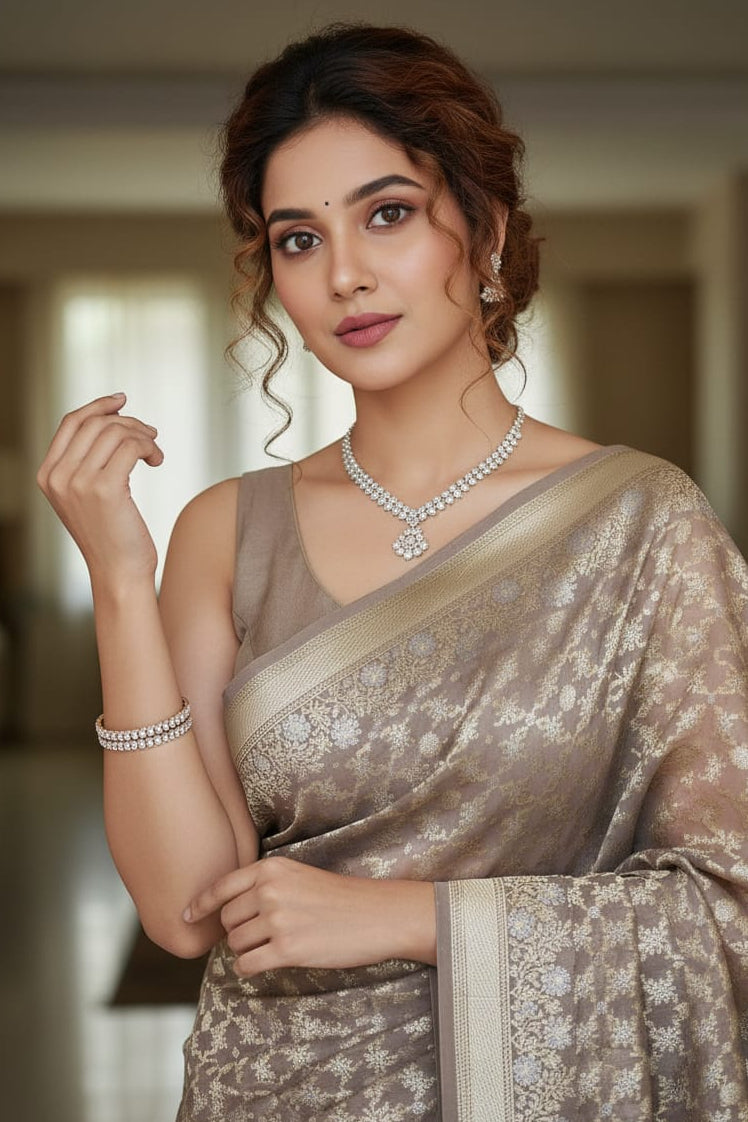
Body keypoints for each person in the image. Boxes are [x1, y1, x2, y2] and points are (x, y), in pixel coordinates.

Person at [37, 22, 748, 1122]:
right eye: (297, 239)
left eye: (388, 213)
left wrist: (415, 919)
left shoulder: (643, 525)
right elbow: (184, 912)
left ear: (487, 228)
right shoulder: (227, 529)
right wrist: (122, 586)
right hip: (268, 1088)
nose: (346, 275)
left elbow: (726, 903)